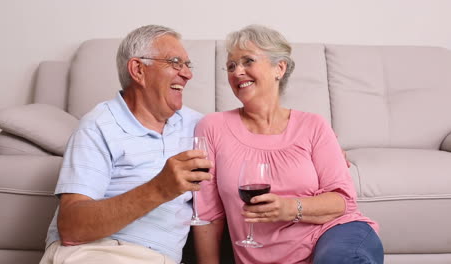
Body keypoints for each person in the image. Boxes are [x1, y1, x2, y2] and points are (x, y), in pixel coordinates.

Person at [193, 25, 384, 264]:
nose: (237, 71)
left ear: (279, 68)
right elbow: (208, 214)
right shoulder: (212, 127)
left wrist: (290, 208)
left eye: (247, 61)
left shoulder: (313, 125)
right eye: (231, 66)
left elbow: (343, 201)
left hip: (333, 236)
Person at [39, 25, 213, 264]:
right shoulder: (99, 125)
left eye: (187, 65)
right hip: (95, 251)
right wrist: (159, 189)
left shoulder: (198, 125)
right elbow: (71, 227)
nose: (187, 74)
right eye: (175, 62)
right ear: (138, 70)